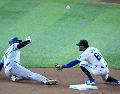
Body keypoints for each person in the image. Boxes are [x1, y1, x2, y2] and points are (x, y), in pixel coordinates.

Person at [55, 40, 120, 85]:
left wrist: (63, 66)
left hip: (98, 70)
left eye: (79, 45)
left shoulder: (85, 53)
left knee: (82, 64)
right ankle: (117, 81)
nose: (79, 47)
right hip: (106, 69)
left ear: (83, 46)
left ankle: (91, 80)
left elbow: (74, 62)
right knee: (105, 79)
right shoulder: (94, 48)